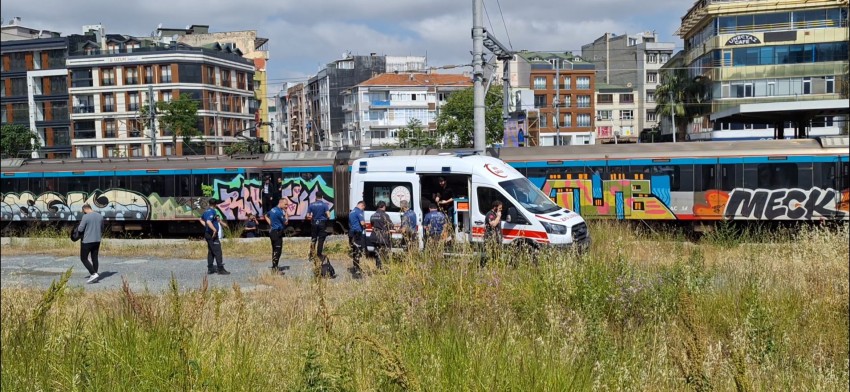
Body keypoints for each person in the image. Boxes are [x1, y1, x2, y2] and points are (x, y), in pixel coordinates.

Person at [201, 199, 230, 275]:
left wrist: (207, 227)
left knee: (211, 252)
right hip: (212, 235)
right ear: (215, 205)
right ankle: (220, 269)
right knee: (218, 251)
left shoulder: (206, 211)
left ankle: (210, 269)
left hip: (208, 234)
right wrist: (214, 230)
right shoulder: (212, 212)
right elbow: (208, 221)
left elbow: (201, 219)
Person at [77, 204, 103, 284]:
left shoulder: (86, 217)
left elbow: (80, 229)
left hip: (87, 241)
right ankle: (95, 275)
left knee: (83, 258)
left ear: (85, 209)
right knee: (94, 257)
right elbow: (102, 228)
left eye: (83, 211)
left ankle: (93, 273)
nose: (83, 213)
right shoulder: (100, 216)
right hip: (97, 240)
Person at [265, 198, 289, 273]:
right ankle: (275, 269)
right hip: (277, 233)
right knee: (277, 250)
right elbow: (286, 222)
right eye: (285, 204)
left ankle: (274, 267)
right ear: (281, 202)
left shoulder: (273, 209)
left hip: (273, 232)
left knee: (274, 250)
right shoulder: (279, 212)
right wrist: (286, 213)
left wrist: (271, 224)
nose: (286, 206)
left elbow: (266, 215)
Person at [306, 195, 331, 264]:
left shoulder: (311, 205)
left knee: (313, 239)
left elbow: (308, 215)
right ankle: (319, 254)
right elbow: (329, 216)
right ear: (322, 197)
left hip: (314, 223)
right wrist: (326, 217)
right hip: (322, 223)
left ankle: (311, 255)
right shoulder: (325, 205)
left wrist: (313, 217)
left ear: (316, 197)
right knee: (321, 239)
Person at [370, 201, 392, 269]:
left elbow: (372, 224)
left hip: (374, 236)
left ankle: (378, 268)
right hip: (382, 237)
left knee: (377, 253)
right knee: (384, 254)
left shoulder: (373, 215)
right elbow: (390, 225)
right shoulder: (385, 215)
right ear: (384, 206)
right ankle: (384, 269)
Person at [481, 200, 503, 267]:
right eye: (499, 208)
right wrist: (499, 216)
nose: (501, 210)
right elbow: (493, 224)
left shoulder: (495, 214)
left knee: (497, 255)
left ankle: (495, 267)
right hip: (491, 238)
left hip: (497, 238)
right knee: (491, 255)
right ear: (495, 207)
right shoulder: (490, 214)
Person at [348, 200, 367, 274]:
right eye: (363, 208)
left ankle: (355, 266)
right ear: (362, 205)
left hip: (352, 233)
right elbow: (362, 223)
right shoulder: (359, 212)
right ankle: (357, 268)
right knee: (358, 251)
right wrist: (365, 226)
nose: (363, 210)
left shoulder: (351, 212)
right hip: (358, 234)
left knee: (354, 250)